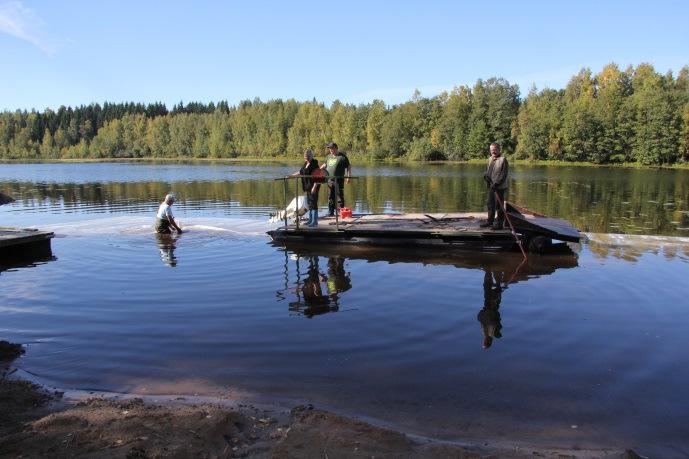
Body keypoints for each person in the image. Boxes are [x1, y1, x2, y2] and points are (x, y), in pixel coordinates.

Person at [480, 142, 509, 230]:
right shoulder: (489, 159)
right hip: (491, 187)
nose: (493, 151)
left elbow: (503, 174)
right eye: (491, 150)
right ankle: (490, 221)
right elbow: (487, 171)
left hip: (499, 187)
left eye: (494, 150)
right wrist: (486, 177)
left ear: (498, 149)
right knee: (490, 204)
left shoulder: (503, 160)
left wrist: (496, 184)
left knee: (498, 206)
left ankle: (499, 224)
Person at [289, 148, 321, 226]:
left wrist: (314, 187)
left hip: (314, 186)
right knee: (310, 203)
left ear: (311, 156)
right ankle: (310, 220)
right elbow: (300, 172)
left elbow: (318, 175)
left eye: (307, 157)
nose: (306, 158)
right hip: (307, 186)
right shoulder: (305, 163)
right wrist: (292, 175)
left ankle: (314, 221)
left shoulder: (314, 163)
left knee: (313, 203)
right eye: (305, 157)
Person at [320, 142, 351, 216]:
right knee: (330, 196)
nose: (330, 150)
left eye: (332, 148)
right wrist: (318, 170)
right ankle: (331, 212)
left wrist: (348, 176)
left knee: (339, 195)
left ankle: (341, 211)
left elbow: (349, 166)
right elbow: (325, 165)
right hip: (329, 180)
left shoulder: (342, 157)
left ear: (336, 148)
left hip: (339, 179)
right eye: (330, 149)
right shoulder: (328, 157)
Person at [477, 269, 504, 349]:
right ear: (489, 342)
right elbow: (498, 322)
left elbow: (480, 317)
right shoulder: (493, 333)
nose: (485, 340)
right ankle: (497, 270)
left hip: (488, 304)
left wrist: (483, 314)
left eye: (485, 342)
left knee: (488, 287)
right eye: (486, 342)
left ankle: (489, 271)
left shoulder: (485, 331)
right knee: (497, 287)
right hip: (493, 306)